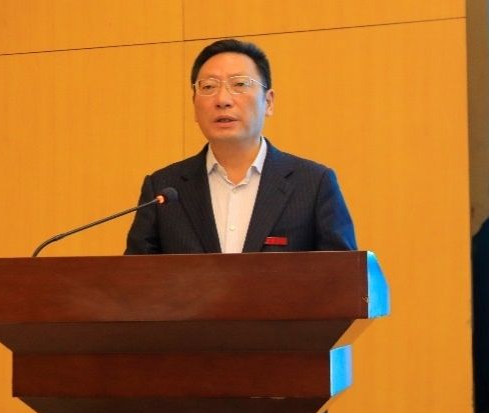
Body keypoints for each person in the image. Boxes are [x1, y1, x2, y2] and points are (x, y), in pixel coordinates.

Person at [125, 38, 356, 254]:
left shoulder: (313, 184)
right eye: (208, 87)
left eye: (240, 84)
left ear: (268, 102)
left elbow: (345, 276)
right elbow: (134, 277)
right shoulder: (164, 189)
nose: (222, 100)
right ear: (194, 105)